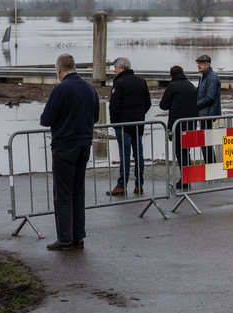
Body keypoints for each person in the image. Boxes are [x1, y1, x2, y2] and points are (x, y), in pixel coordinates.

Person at [40, 54, 99, 251]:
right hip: (85, 144)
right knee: (78, 191)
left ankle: (64, 237)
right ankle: (78, 237)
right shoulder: (90, 87)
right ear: (74, 66)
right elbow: (96, 116)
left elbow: (46, 119)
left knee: (63, 193)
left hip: (65, 145)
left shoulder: (60, 89)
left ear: (59, 69)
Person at [107, 57, 151, 196]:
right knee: (139, 155)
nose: (114, 71)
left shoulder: (119, 83)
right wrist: (139, 115)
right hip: (138, 123)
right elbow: (148, 103)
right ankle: (139, 184)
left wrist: (115, 124)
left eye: (115, 68)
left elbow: (114, 106)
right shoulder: (141, 81)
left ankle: (121, 185)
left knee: (124, 156)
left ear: (122, 68)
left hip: (124, 125)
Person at [159, 65, 198, 190]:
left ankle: (185, 180)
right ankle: (187, 178)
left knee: (180, 153)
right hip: (191, 124)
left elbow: (163, 105)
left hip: (178, 125)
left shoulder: (172, 86)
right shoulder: (191, 85)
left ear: (172, 75)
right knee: (186, 151)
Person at [195, 54, 221, 164]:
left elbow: (210, 97)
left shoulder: (212, 77)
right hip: (204, 113)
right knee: (205, 141)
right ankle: (210, 164)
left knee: (206, 142)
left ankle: (211, 165)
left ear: (207, 64)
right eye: (198, 63)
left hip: (208, 114)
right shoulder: (203, 76)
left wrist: (195, 105)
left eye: (200, 63)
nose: (198, 65)